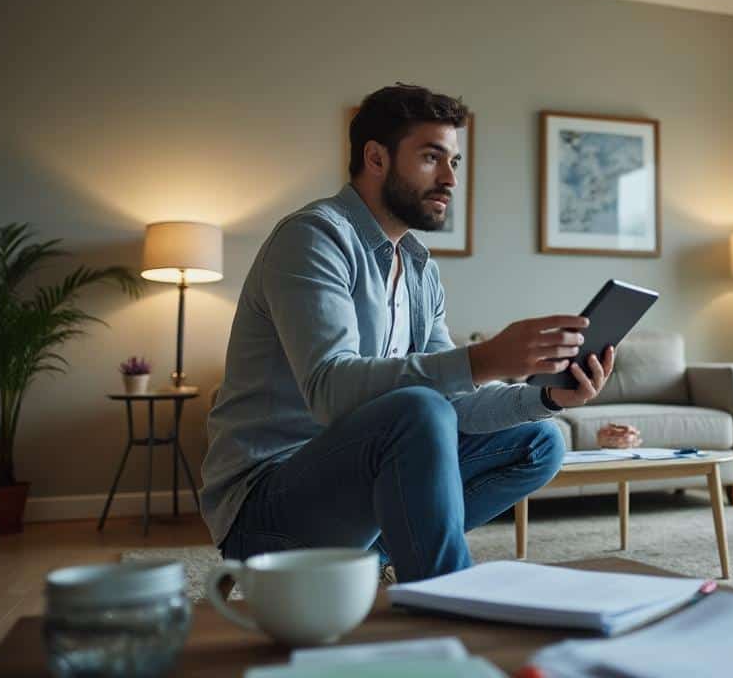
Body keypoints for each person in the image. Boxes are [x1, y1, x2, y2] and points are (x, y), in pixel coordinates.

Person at [200, 83, 615, 581]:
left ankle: (372, 563)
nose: (449, 179)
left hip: (355, 493)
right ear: (376, 158)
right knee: (418, 408)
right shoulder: (313, 237)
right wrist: (483, 359)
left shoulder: (418, 267)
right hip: (266, 507)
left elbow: (457, 404)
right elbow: (330, 392)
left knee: (540, 441)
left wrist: (546, 397)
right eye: (431, 157)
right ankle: (448, 596)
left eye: (454, 162)